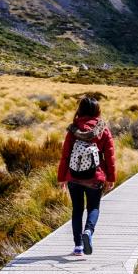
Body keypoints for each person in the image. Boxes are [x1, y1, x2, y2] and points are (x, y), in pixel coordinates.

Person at [57, 97, 116, 255]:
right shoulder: (103, 130)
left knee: (77, 210)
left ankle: (78, 247)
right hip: (95, 178)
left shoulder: (73, 129)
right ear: (97, 111)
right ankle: (88, 232)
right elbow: (110, 156)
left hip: (73, 177)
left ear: (80, 110)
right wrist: (111, 178)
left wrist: (61, 177)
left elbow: (65, 156)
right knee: (93, 207)